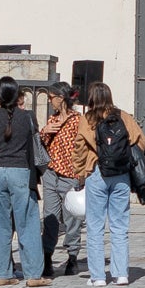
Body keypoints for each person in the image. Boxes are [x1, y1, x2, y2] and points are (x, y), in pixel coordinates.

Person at [0, 76, 42, 287]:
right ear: (18, 95)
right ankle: (33, 275)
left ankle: (2, 274)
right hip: (20, 171)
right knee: (27, 223)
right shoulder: (28, 117)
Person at [80, 79, 145, 288]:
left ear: (91, 98)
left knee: (95, 227)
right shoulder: (124, 116)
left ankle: (98, 276)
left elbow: (79, 147)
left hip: (97, 173)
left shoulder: (88, 119)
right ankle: (121, 274)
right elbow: (141, 142)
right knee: (119, 226)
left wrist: (81, 171)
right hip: (121, 176)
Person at [41, 87, 93, 276]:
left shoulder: (78, 120)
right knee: (50, 216)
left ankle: (72, 256)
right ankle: (47, 257)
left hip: (70, 174)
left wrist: (82, 172)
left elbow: (85, 146)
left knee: (71, 218)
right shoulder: (52, 119)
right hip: (50, 173)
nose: (50, 101)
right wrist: (45, 131)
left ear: (61, 98)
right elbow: (44, 144)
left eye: (51, 97)